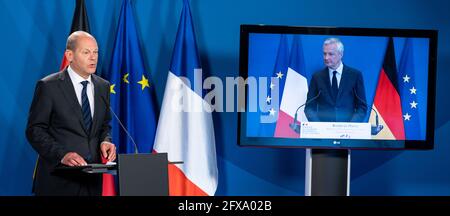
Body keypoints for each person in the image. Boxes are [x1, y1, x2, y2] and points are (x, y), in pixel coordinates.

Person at [26, 31, 116, 196]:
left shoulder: (103, 86)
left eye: (95, 52)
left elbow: (104, 125)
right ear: (70, 55)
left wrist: (106, 140)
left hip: (92, 182)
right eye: (86, 52)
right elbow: (35, 130)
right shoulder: (49, 86)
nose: (93, 57)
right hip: (58, 181)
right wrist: (62, 155)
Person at [305, 38, 367, 122]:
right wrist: (318, 127)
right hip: (323, 132)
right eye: (324, 54)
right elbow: (309, 108)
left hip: (348, 131)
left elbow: (362, 107)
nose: (326, 57)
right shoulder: (317, 77)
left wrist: (351, 126)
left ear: (340, 54)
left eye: (330, 54)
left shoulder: (355, 75)